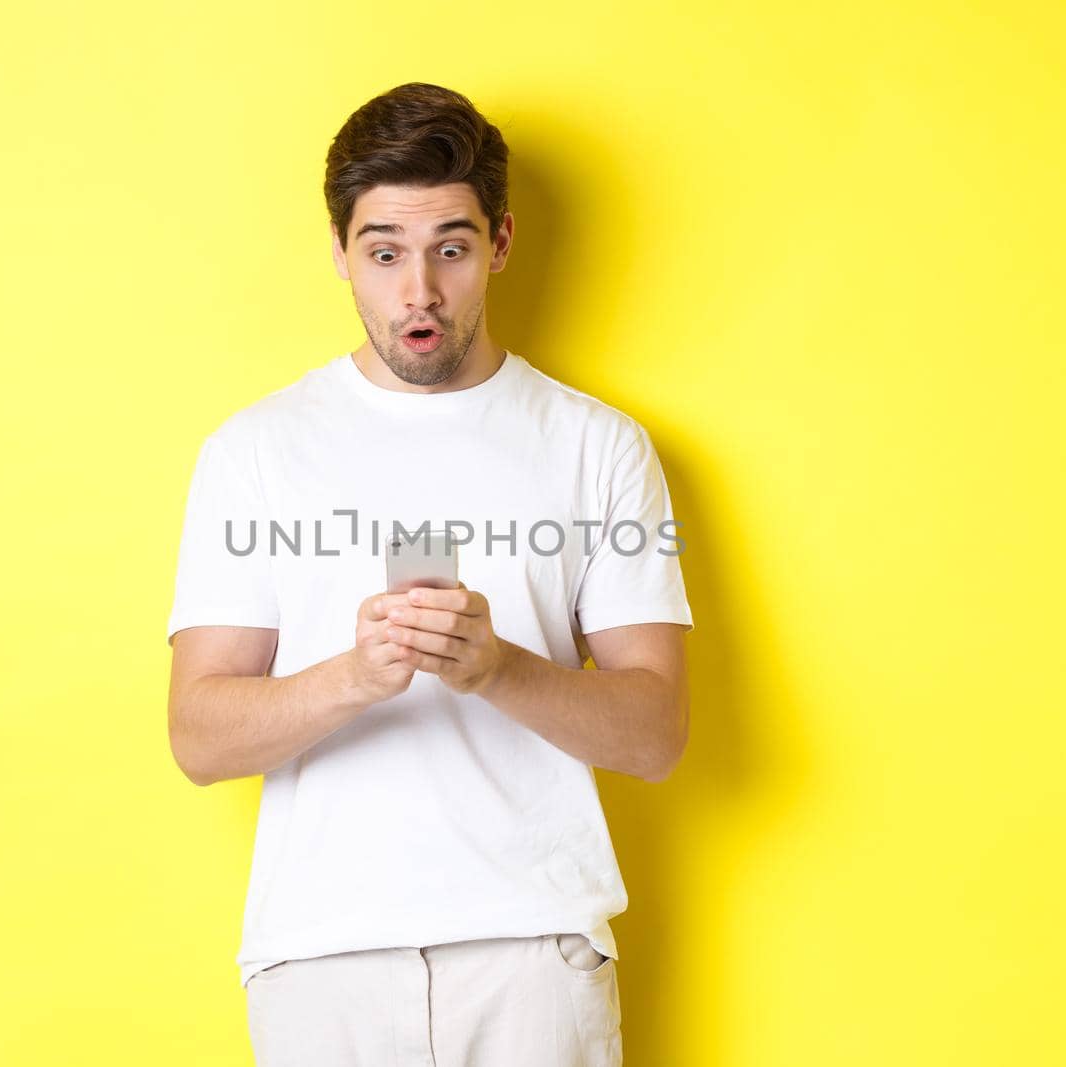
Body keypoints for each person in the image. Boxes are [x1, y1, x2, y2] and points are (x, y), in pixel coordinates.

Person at [165, 82, 694, 1067]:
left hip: (534, 952)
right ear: (339, 253)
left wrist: (497, 666)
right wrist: (356, 675)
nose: (418, 291)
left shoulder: (601, 447)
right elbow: (196, 736)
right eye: (383, 252)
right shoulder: (252, 451)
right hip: (320, 960)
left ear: (497, 241)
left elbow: (657, 733)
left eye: (448, 248)